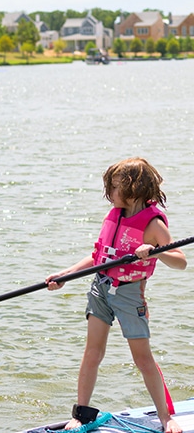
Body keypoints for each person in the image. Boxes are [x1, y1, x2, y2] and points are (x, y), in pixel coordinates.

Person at [45, 157, 186, 432]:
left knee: (142, 358)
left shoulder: (154, 224)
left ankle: (166, 418)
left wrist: (155, 250)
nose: (109, 193)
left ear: (134, 188)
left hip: (129, 295)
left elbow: (180, 261)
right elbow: (99, 257)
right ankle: (82, 413)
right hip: (101, 288)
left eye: (114, 186)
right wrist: (65, 275)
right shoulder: (114, 216)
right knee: (92, 352)